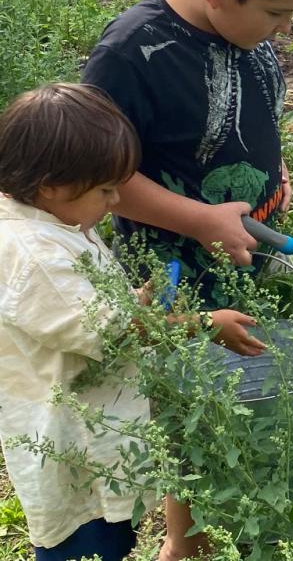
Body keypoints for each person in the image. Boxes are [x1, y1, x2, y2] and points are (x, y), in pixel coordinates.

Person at [81, 0, 293, 556]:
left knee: (235, 383)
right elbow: (96, 177)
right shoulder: (132, 52)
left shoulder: (245, 25)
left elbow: (253, 111)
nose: (286, 29)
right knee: (189, 397)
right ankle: (183, 540)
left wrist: (275, 176)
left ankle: (224, 510)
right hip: (171, 265)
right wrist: (198, 220)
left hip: (239, 248)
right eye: (277, 15)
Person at [0, 84, 263, 561]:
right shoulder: (34, 254)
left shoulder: (55, 223)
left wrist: (135, 300)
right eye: (104, 189)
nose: (116, 198)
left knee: (112, 536)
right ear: (51, 185)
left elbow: (79, 312)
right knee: (86, 545)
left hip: (97, 425)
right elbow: (106, 330)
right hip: (72, 443)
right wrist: (202, 322)